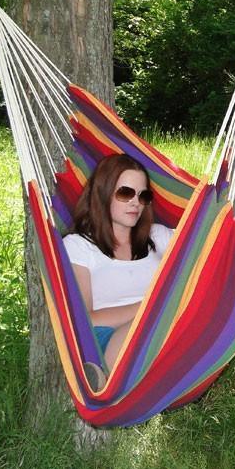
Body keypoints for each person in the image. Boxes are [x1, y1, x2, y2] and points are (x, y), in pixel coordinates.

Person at [63, 154, 173, 391]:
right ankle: (106, 378)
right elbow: (85, 319)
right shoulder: (79, 246)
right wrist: (151, 307)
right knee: (156, 323)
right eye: (125, 193)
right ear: (104, 193)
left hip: (162, 332)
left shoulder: (159, 236)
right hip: (109, 341)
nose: (136, 203)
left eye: (143, 196)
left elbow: (208, 246)